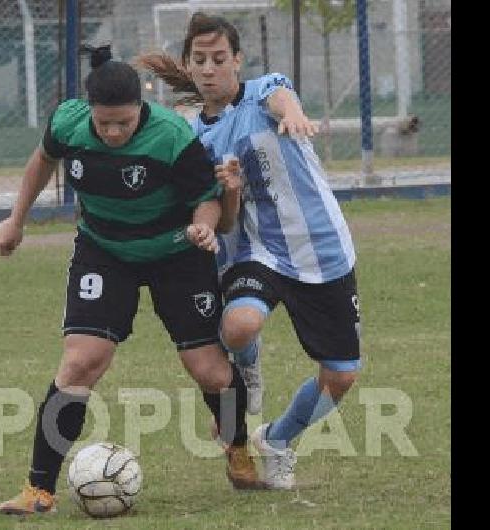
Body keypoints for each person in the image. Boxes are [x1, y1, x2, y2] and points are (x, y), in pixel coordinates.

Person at [0, 45, 261, 516]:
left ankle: (237, 449)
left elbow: (208, 199)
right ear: (90, 112)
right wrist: (16, 219)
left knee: (209, 370)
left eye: (124, 123)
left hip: (177, 253)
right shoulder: (67, 123)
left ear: (142, 108)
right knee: (80, 363)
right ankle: (39, 489)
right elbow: (41, 160)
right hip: (104, 249)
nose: (114, 132)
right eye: (105, 124)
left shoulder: (172, 137)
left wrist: (202, 223)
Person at [138, 12, 361, 490]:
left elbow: (281, 100)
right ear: (189, 65)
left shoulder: (265, 92)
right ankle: (248, 367)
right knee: (239, 327)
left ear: (238, 60)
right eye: (200, 60)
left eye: (220, 58)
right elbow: (227, 216)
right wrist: (230, 191)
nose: (210, 68)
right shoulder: (193, 136)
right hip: (258, 250)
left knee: (341, 376)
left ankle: (277, 440)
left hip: (324, 249)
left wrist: (294, 115)